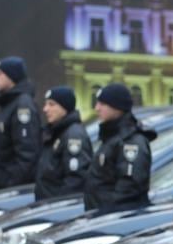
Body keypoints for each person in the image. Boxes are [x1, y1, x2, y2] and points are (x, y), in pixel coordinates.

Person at [84, 83, 156, 212]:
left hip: (112, 220)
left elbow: (128, 192)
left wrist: (106, 215)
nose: (97, 108)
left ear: (117, 107)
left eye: (102, 104)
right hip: (100, 218)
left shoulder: (131, 142)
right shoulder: (111, 138)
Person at [0, 56, 42, 190]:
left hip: (12, 190)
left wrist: (9, 184)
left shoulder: (22, 106)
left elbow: (27, 155)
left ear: (12, 77)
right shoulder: (11, 104)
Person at [34, 86, 92, 201]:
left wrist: (59, 205)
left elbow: (75, 180)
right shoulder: (57, 133)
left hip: (58, 211)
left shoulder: (73, 136)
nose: (45, 109)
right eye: (46, 104)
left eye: (51, 104)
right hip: (49, 206)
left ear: (64, 107)